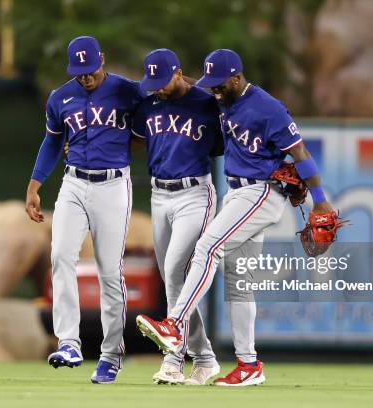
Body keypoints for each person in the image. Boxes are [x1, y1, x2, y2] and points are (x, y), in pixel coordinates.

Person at [136, 49, 337, 386]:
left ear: (235, 77)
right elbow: (188, 92)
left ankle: (173, 323)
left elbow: (300, 152)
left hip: (260, 192)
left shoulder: (267, 108)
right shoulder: (223, 101)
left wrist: (320, 202)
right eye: (209, 82)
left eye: (219, 83)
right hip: (237, 192)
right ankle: (249, 365)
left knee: (207, 248)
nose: (213, 89)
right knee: (239, 283)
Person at [25, 35, 142, 384]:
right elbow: (52, 140)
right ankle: (68, 342)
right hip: (73, 183)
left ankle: (110, 355)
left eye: (90, 70)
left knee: (109, 270)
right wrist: (34, 184)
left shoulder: (127, 90)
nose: (85, 77)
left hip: (113, 185)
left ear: (102, 60)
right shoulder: (61, 97)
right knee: (60, 255)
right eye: (79, 72)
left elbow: (152, 120)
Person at [132, 49, 223, 385]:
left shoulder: (205, 102)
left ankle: (173, 359)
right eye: (151, 81)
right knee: (173, 278)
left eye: (162, 80)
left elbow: (222, 145)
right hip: (159, 194)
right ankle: (205, 358)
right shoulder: (149, 100)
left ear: (179, 72)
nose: (157, 87)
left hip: (194, 192)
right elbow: (139, 140)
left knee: (174, 269)